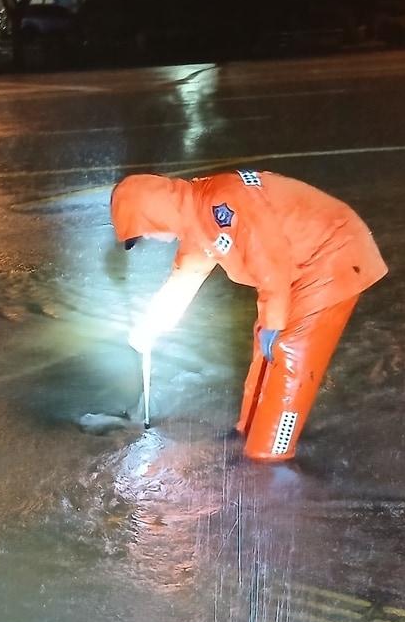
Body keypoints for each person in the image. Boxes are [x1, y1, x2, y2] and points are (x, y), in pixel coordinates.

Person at [110, 169, 387, 462]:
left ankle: (269, 457)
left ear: (155, 213)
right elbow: (183, 280)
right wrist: (150, 327)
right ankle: (248, 432)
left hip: (332, 255)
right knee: (267, 345)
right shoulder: (198, 220)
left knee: (288, 351)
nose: (152, 238)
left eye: (146, 231)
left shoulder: (221, 203)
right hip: (300, 265)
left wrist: (274, 323)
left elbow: (269, 258)